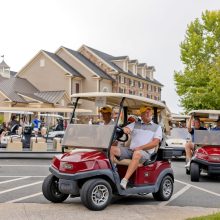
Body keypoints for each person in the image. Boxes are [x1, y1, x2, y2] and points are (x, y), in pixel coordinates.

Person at [110, 106, 162, 189]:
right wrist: (125, 129)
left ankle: (125, 180)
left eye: (149, 111)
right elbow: (127, 128)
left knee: (137, 153)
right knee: (111, 149)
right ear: (141, 115)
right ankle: (112, 174)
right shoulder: (135, 124)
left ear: (151, 113)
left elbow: (155, 143)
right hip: (131, 150)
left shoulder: (157, 127)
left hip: (145, 153)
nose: (148, 113)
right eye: (145, 112)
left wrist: (140, 148)